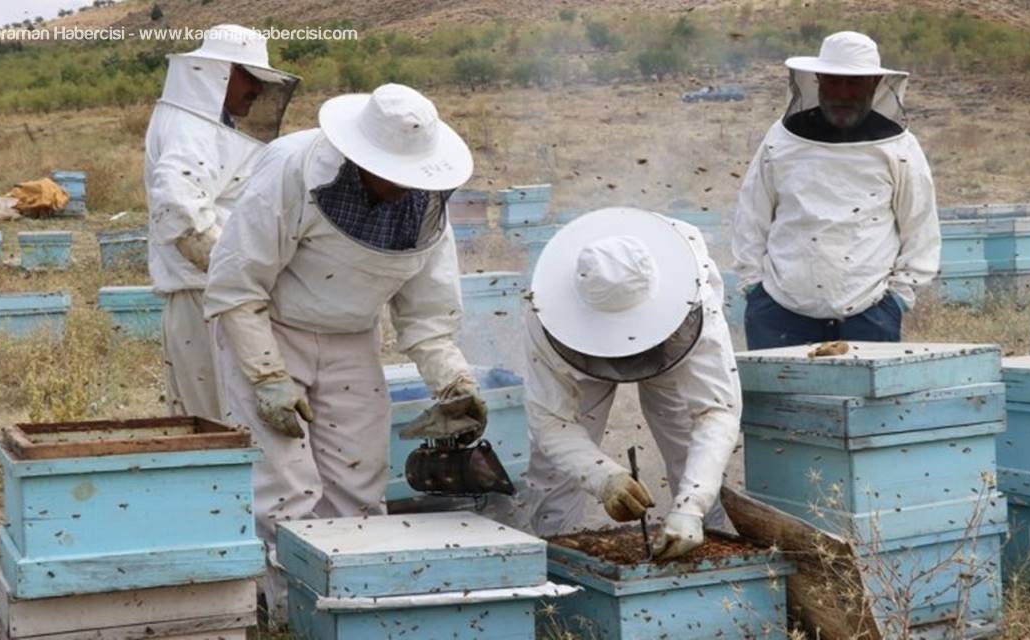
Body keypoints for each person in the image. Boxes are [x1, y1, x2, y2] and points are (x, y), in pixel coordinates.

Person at [203, 84, 488, 620]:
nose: (403, 188)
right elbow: (237, 286)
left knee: (359, 480)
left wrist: (455, 383)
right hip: (270, 327)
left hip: (352, 337)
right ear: (358, 158)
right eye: (392, 174)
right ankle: (291, 613)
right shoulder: (292, 169)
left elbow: (427, 316)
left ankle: (351, 610)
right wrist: (266, 376)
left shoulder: (427, 202)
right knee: (286, 485)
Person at [518, 207, 741, 560]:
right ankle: (561, 563)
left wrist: (691, 505)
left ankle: (699, 536)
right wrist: (603, 477)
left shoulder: (694, 291)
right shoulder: (546, 306)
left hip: (670, 349)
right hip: (582, 355)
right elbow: (552, 421)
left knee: (688, 443)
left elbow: (716, 410)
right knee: (554, 469)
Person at [732, 31, 939, 349]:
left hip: (869, 315)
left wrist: (897, 299)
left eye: (854, 83)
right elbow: (750, 216)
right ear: (817, 79)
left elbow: (920, 228)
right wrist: (755, 289)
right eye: (834, 81)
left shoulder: (899, 147)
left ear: (874, 84)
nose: (843, 93)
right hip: (779, 313)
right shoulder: (782, 139)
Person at [144, 24, 298, 419]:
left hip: (213, 294)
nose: (259, 91)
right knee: (224, 423)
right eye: (252, 78)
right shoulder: (189, 126)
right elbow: (180, 212)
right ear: (221, 73)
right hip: (207, 297)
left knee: (227, 419)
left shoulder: (204, 123)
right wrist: (239, 275)